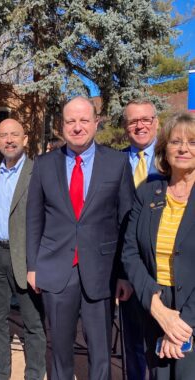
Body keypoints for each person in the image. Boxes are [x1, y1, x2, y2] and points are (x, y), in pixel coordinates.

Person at [26, 96, 135, 380]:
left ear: (96, 122)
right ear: (61, 125)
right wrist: (32, 266)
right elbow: (34, 218)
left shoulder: (116, 163)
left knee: (100, 353)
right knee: (60, 352)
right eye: (70, 121)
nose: (77, 127)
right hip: (56, 269)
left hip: (102, 271)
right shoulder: (44, 164)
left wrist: (124, 274)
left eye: (84, 120)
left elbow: (126, 221)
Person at [122, 112, 195, 379]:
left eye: (192, 142)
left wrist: (181, 323)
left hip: (192, 308)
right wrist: (157, 309)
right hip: (154, 303)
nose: (184, 148)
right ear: (165, 149)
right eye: (176, 141)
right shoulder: (148, 192)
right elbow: (130, 252)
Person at [0, 119, 46, 380]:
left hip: (26, 257)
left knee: (33, 323)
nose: (9, 139)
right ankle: (1, 373)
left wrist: (40, 262)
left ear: (25, 139)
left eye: (14, 134)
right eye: (3, 136)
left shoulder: (39, 173)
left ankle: (33, 374)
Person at [121, 98, 162, 380]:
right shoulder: (114, 161)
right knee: (132, 343)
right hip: (129, 267)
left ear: (156, 122)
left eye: (145, 119)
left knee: (164, 344)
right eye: (133, 121)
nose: (140, 126)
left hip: (166, 269)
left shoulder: (171, 159)